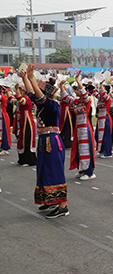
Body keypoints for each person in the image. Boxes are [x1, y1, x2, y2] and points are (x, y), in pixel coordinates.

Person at [21, 68, 68, 219]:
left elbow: (38, 97)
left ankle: (63, 206)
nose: (36, 93)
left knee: (55, 171)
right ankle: (50, 200)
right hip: (44, 140)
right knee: (44, 171)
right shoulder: (43, 105)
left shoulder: (52, 105)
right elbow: (31, 93)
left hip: (52, 141)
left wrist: (31, 78)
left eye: (40, 91)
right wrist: (24, 79)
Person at [61, 79, 95, 180]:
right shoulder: (76, 101)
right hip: (78, 129)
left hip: (85, 128)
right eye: (75, 89)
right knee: (79, 150)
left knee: (86, 150)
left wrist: (77, 80)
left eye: (77, 89)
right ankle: (81, 169)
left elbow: (84, 93)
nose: (76, 91)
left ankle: (89, 172)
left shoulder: (87, 100)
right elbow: (66, 98)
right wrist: (60, 86)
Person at [15, 83, 37, 167]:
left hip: (27, 123)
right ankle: (23, 159)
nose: (19, 92)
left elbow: (20, 100)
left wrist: (17, 89)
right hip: (22, 122)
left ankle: (29, 160)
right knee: (22, 140)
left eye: (20, 90)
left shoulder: (26, 99)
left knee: (27, 140)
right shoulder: (23, 98)